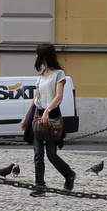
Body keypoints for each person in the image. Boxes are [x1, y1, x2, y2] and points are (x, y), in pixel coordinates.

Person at [25, 43, 76, 196]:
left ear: (44, 56)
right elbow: (36, 99)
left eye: (37, 53)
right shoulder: (41, 77)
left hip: (52, 116)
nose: (35, 56)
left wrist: (48, 111)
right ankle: (40, 186)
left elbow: (59, 95)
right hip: (39, 116)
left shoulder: (58, 74)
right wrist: (26, 118)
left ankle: (69, 175)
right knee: (37, 154)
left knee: (51, 155)